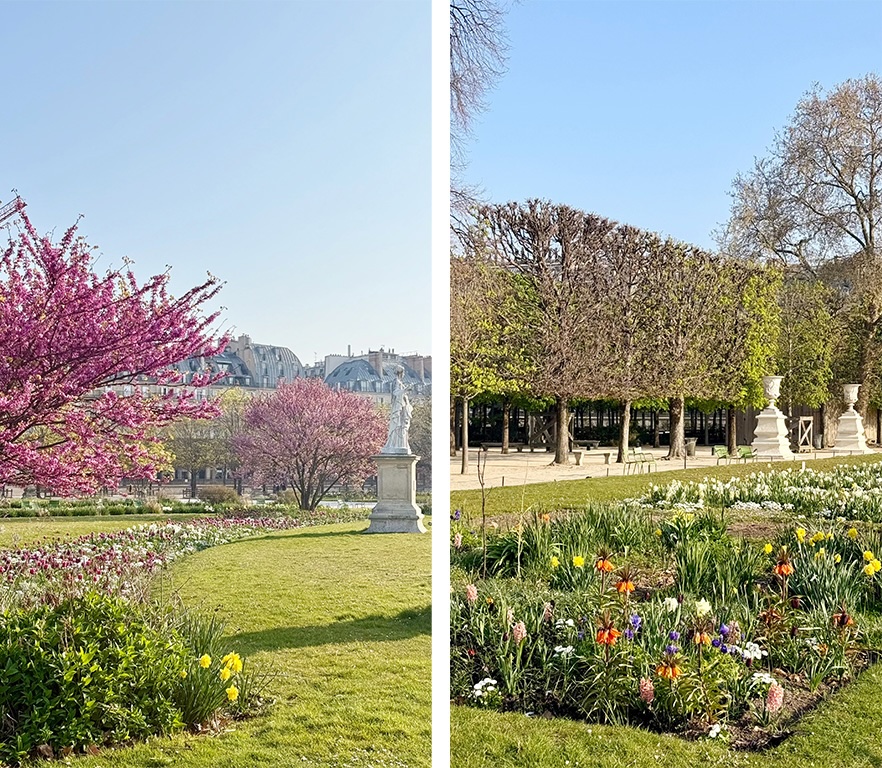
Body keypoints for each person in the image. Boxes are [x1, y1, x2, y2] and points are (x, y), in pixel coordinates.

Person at [382, 366, 413, 454]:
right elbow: (396, 393)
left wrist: (405, 391)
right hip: (398, 406)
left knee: (401, 426)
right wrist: (405, 389)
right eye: (403, 372)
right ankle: (395, 444)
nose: (404, 374)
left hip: (402, 406)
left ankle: (400, 444)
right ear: (401, 373)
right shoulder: (396, 381)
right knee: (398, 425)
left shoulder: (399, 382)